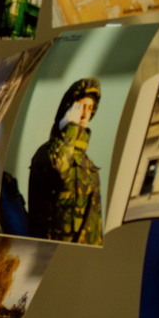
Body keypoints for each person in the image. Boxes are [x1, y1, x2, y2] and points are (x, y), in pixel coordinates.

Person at [27, 78, 103, 246]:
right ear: (69, 109)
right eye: (80, 107)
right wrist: (70, 127)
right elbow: (58, 168)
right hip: (53, 250)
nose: (84, 114)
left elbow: (95, 220)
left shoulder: (87, 162)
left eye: (90, 108)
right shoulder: (47, 153)